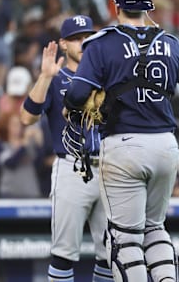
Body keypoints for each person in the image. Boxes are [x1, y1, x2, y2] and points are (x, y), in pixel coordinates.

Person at [64, 0, 179, 282]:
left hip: (124, 144)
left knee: (124, 237)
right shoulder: (170, 42)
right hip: (166, 145)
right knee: (155, 228)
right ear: (148, 6)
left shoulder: (101, 43)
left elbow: (75, 96)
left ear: (115, 5)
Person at [19, 15, 112, 281]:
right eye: (76, 39)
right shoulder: (56, 78)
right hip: (72, 166)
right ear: (63, 44)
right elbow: (26, 118)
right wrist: (45, 77)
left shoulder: (107, 77)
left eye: (87, 37)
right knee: (64, 254)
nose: (83, 43)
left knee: (110, 254)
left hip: (109, 167)